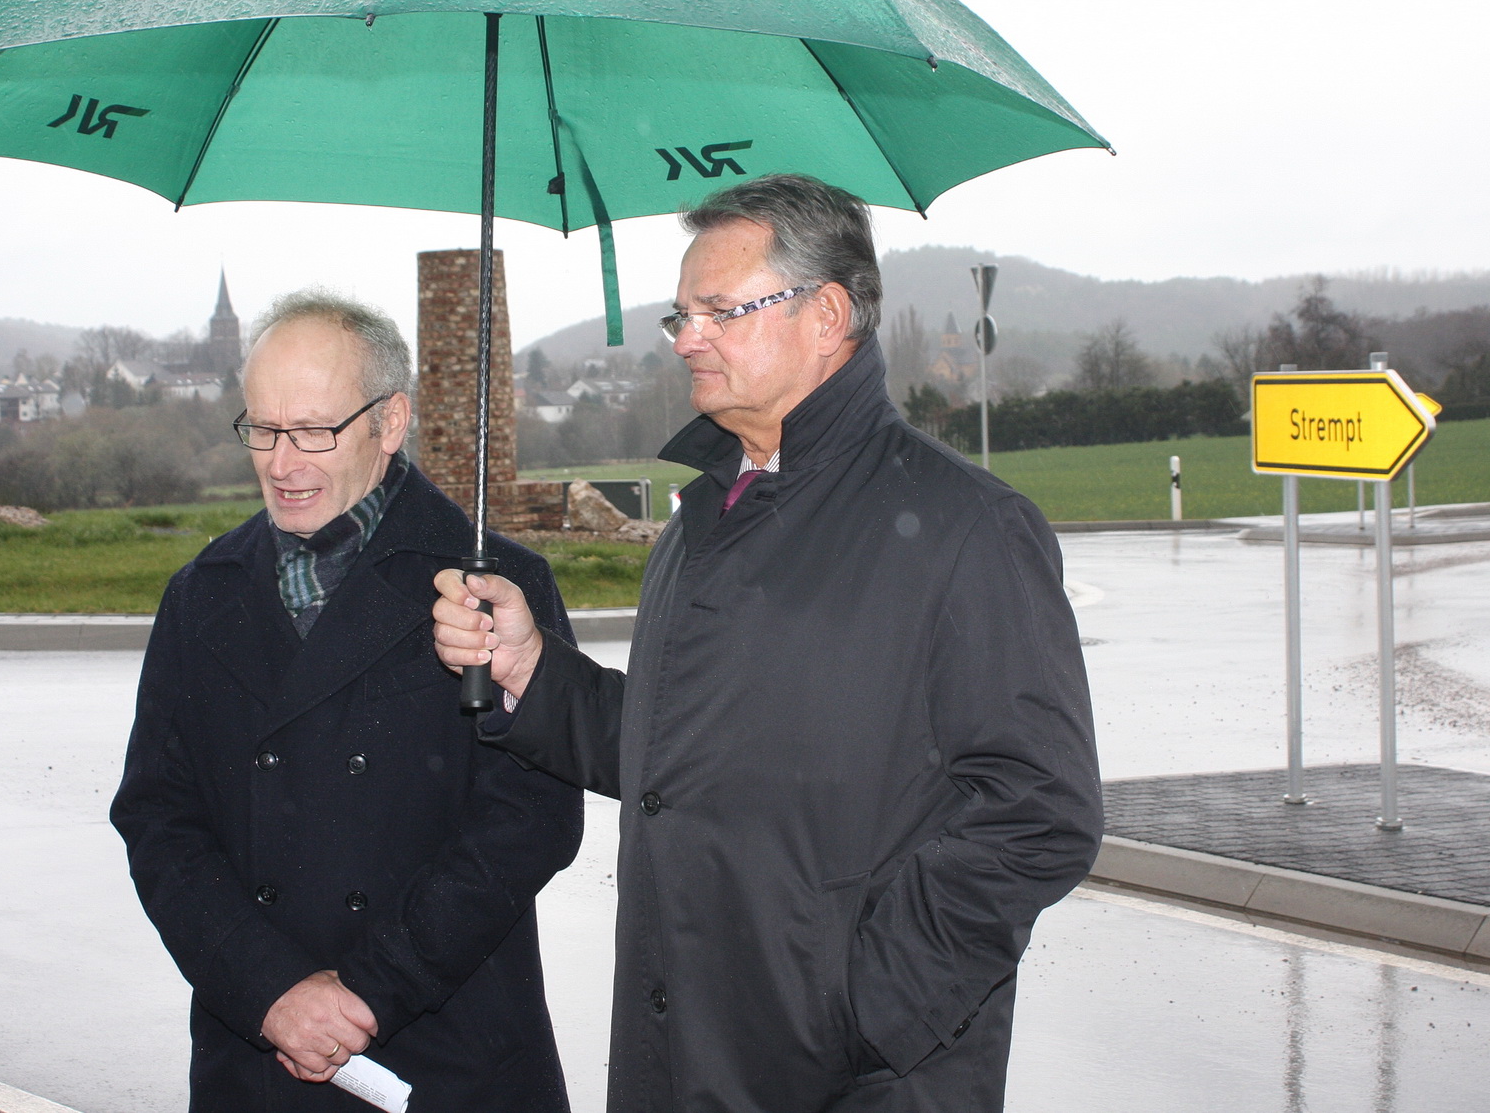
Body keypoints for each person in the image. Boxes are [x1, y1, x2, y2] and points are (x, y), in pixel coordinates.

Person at [433, 175, 1103, 1112]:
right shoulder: (710, 509)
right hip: (683, 1052)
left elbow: (1040, 810)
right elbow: (682, 751)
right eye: (682, 314)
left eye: (719, 310)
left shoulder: (966, 528)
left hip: (853, 1076)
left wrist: (864, 1003)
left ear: (826, 314)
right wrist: (529, 668)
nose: (687, 337)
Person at [113, 290, 583, 1112]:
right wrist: (269, 989)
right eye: (261, 429)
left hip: (447, 1056)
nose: (281, 462)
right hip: (257, 1059)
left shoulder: (494, 587)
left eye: (313, 432)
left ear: (389, 422)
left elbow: (532, 819)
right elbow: (158, 819)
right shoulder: (200, 597)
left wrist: (369, 991)